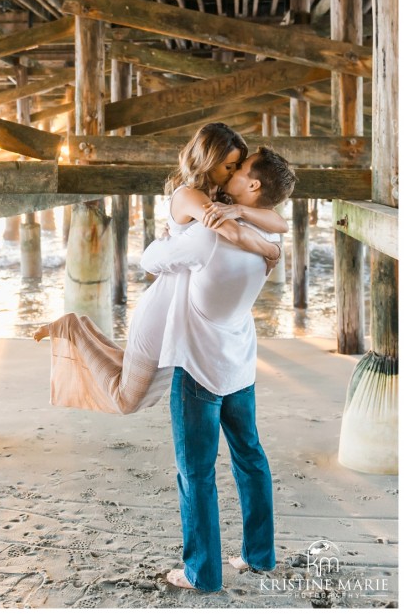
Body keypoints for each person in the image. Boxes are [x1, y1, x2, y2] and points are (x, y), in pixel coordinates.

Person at [34, 123, 286, 414]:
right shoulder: (189, 195)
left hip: (182, 317)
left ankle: (83, 330)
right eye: (230, 166)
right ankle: (72, 328)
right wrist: (271, 249)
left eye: (237, 167)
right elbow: (234, 233)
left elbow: (280, 222)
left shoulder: (221, 197)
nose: (234, 173)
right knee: (127, 400)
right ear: (209, 162)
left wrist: (243, 211)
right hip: (160, 313)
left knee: (131, 375)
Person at [140, 146, 297, 592]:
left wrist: (167, 236)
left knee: (196, 471)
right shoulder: (273, 242)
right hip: (239, 362)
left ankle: (202, 574)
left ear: (253, 185)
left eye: (238, 169)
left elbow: (149, 262)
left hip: (198, 366)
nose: (229, 173)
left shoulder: (208, 236)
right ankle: (259, 556)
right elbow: (265, 232)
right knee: (250, 457)